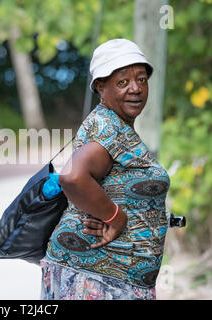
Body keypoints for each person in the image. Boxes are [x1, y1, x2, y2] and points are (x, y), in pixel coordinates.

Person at [41, 39, 170, 300]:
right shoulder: (107, 129)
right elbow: (72, 176)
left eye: (142, 79)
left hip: (109, 277)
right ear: (101, 86)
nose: (135, 89)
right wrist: (115, 217)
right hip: (97, 279)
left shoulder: (114, 124)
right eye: (123, 82)